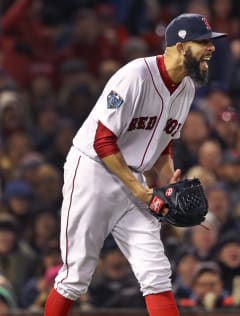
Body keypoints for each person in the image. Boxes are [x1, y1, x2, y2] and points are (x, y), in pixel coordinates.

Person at [43, 13, 226, 316]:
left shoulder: (186, 88)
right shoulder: (135, 76)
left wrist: (167, 185)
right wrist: (140, 192)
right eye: (203, 42)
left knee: (156, 273)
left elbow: (163, 145)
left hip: (133, 176)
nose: (211, 48)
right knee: (76, 277)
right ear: (180, 47)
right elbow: (103, 140)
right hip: (92, 172)